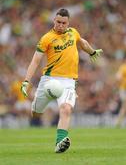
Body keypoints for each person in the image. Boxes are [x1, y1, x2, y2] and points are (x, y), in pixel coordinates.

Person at [21, 8, 103, 153]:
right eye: (58, 22)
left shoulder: (73, 32)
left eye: (63, 23)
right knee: (36, 112)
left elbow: (82, 42)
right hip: (48, 80)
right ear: (54, 20)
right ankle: (36, 107)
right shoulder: (46, 38)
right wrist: (26, 81)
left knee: (66, 109)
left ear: (68, 23)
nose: (60, 25)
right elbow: (35, 61)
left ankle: (60, 143)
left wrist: (92, 52)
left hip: (68, 82)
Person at [115, 59, 126, 127]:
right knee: (125, 106)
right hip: (124, 89)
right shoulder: (123, 67)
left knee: (124, 107)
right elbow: (118, 77)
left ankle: (118, 122)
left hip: (122, 89)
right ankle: (118, 122)